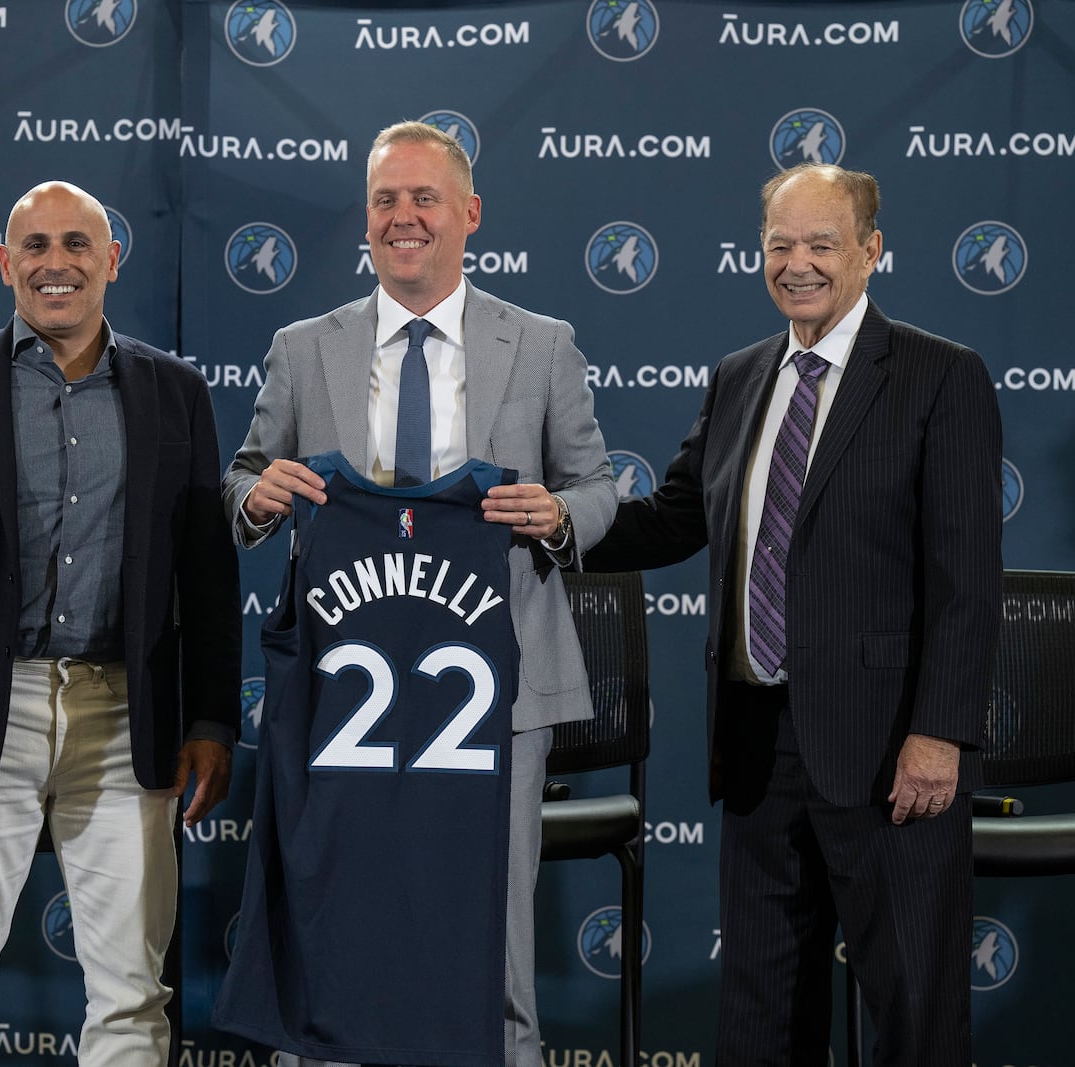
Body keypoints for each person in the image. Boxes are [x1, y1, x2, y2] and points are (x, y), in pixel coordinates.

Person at [217, 121, 616, 1067]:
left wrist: (555, 512)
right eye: (386, 201)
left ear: (468, 214)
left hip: (499, 688)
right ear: (366, 220)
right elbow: (240, 478)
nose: (404, 218)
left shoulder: (544, 343)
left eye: (424, 198)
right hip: (343, 692)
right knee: (335, 926)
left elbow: (601, 490)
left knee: (493, 940)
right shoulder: (305, 346)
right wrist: (258, 499)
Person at [585, 163, 1001, 1066]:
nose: (798, 263)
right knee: (762, 1015)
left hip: (890, 748)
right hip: (757, 744)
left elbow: (967, 580)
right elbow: (671, 516)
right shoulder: (739, 377)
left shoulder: (940, 376)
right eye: (781, 245)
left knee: (915, 1016)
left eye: (822, 243)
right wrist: (555, 524)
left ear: (870, 252)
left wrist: (941, 733)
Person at [0, 180, 241, 1064]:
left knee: (131, 995)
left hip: (126, 712)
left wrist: (212, 719)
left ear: (112, 260)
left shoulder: (175, 392)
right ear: (5, 265)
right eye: (35, 247)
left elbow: (208, 573)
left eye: (78, 244)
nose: (56, 264)